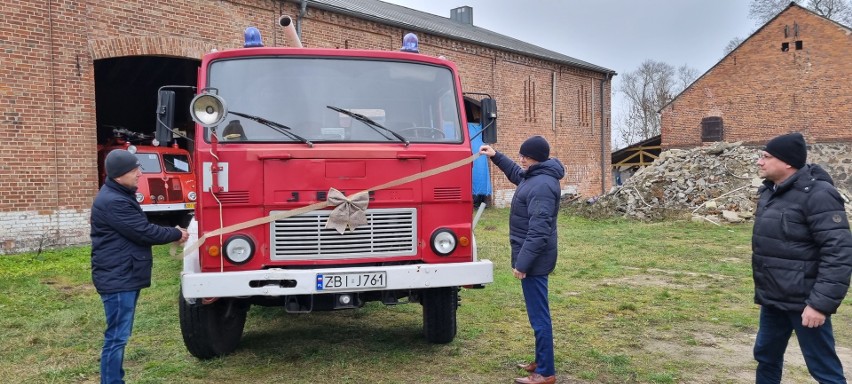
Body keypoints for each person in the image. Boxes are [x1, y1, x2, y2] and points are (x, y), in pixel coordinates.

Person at [752, 132, 852, 383]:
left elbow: (838, 253)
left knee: (824, 369)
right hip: (773, 299)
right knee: (766, 357)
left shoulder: (819, 195)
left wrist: (819, 305)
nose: (759, 162)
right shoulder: (769, 193)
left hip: (805, 301)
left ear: (787, 162)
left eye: (766, 156)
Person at [91, 149, 188, 384]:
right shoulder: (113, 201)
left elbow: (139, 226)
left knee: (120, 334)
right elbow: (142, 231)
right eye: (135, 170)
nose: (139, 174)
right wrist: (176, 232)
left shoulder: (120, 195)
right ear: (119, 174)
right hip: (118, 277)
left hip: (123, 274)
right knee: (117, 336)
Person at [480, 136, 565, 384]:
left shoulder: (542, 186)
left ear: (533, 157)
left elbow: (539, 231)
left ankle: (546, 372)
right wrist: (495, 156)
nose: (521, 159)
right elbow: (517, 174)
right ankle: (541, 360)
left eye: (524, 156)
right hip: (532, 257)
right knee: (536, 314)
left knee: (539, 316)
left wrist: (523, 264)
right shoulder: (534, 176)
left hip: (535, 261)